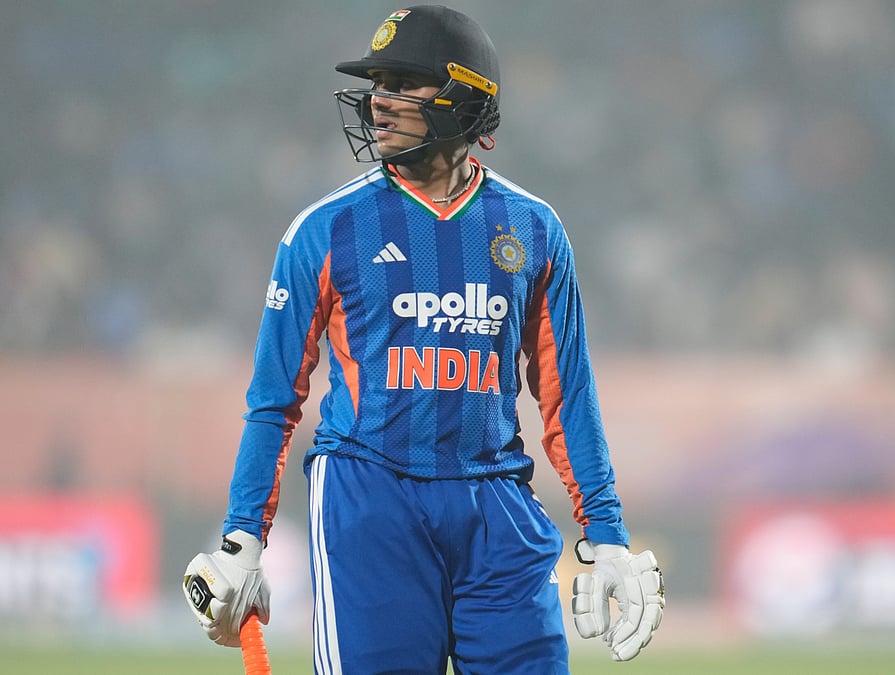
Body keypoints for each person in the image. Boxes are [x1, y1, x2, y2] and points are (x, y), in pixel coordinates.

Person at [181, 5, 664, 674]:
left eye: (405, 83)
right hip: (369, 500)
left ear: (464, 97)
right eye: (378, 83)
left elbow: (566, 394)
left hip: (500, 507)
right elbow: (274, 399)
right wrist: (243, 537)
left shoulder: (534, 230)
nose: (381, 102)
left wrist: (606, 534)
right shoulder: (324, 229)